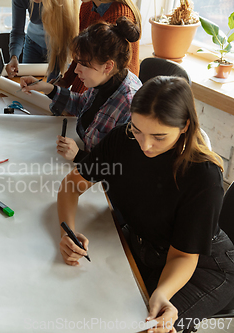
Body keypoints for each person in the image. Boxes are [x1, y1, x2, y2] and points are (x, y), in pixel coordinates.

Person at [57, 76, 234, 332]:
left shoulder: (202, 176)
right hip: (146, 245)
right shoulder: (123, 139)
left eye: (159, 136)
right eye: (137, 130)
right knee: (87, 300)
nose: (145, 145)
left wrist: (163, 293)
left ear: (184, 126)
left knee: (144, 327)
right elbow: (72, 184)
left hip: (202, 266)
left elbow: (184, 255)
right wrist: (67, 233)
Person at [20, 17, 141, 162]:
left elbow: (118, 165)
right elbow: (82, 104)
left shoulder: (129, 106)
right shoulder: (106, 79)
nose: (77, 70)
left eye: (84, 64)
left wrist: (79, 156)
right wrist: (47, 88)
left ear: (108, 66)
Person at [57, 0, 141, 94]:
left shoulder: (119, 15)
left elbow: (94, 66)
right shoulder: (87, 6)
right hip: (94, 81)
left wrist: (70, 98)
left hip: (113, 91)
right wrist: (66, 81)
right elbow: (83, 55)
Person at [6, 0, 80, 83]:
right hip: (32, 43)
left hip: (59, 46)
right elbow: (17, 31)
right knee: (26, 86)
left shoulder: (63, 3)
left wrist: (50, 89)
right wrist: (14, 56)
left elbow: (65, 41)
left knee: (52, 89)